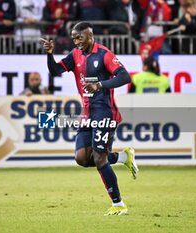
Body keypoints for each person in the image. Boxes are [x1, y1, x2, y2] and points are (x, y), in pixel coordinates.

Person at [40, 22, 139, 216]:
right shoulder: (76, 54)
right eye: (74, 37)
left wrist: (100, 85)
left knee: (99, 158)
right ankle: (123, 157)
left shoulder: (104, 54)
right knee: (82, 158)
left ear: (90, 36)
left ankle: (119, 205)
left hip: (105, 111)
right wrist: (50, 54)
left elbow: (125, 77)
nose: (76, 41)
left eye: (80, 37)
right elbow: (55, 71)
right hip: (87, 113)